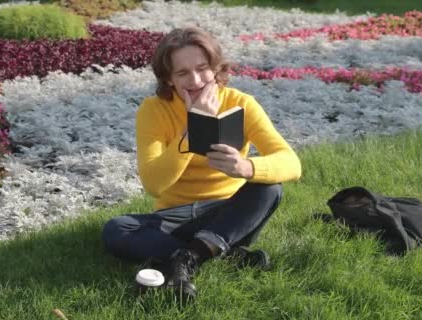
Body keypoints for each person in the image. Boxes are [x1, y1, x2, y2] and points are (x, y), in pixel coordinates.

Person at [102, 26, 302, 300]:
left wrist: (246, 167)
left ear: (216, 68)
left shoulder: (241, 103)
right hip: (176, 215)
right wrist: (193, 127)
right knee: (116, 229)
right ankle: (212, 254)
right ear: (169, 79)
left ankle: (186, 258)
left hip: (228, 216)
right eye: (182, 73)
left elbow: (291, 163)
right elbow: (154, 184)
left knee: (269, 188)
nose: (195, 80)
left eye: (202, 68)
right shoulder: (154, 109)